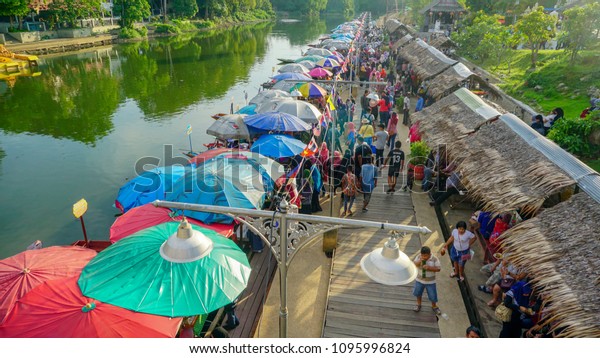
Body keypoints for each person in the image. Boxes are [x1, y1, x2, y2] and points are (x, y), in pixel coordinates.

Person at [412, 246, 442, 314]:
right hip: (419, 280)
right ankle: (418, 304)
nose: (424, 257)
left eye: (425, 255)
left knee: (432, 295)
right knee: (418, 293)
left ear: (429, 254)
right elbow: (415, 264)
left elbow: (438, 269)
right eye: (422, 255)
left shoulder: (434, 259)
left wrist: (429, 268)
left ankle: (434, 306)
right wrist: (420, 261)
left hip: (430, 282)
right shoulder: (419, 256)